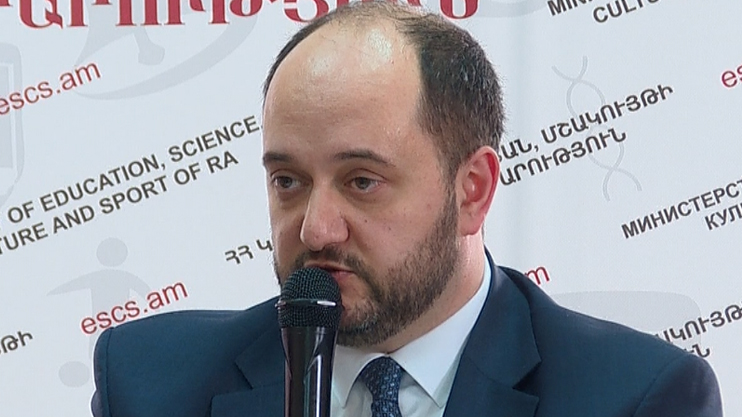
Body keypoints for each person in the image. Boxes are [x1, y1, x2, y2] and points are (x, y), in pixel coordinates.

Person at [90, 2, 723, 416]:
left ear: (472, 190)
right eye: (288, 180)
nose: (316, 228)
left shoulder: (634, 396)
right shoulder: (150, 382)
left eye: (362, 181)